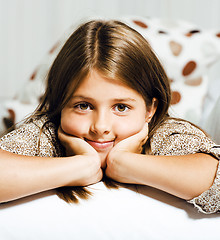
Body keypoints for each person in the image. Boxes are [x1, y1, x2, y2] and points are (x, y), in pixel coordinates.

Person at [0, 19, 219, 214]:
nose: (100, 126)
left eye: (121, 107)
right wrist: (84, 166)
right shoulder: (48, 133)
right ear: (60, 105)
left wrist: (123, 162)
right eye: (83, 106)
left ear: (150, 110)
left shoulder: (165, 133)